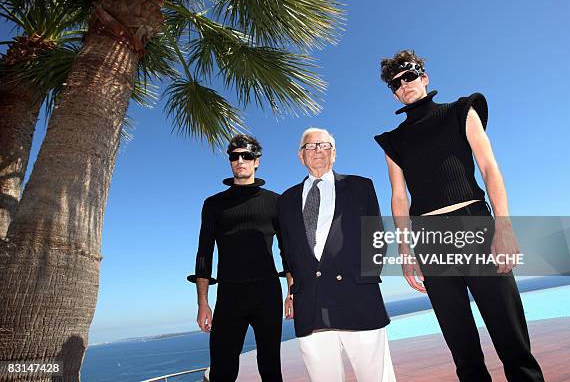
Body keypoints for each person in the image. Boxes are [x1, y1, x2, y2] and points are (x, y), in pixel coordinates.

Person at [374, 50, 545, 382]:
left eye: (409, 76)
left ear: (423, 77)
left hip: (475, 226)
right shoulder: (392, 141)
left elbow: (489, 168)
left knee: (511, 339)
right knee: (462, 348)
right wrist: (406, 251)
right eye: (396, 84)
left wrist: (503, 225)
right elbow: (398, 198)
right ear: (393, 92)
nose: (404, 85)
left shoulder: (461, 111)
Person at [278, 127, 396, 382]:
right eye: (311, 146)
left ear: (334, 153)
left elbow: (376, 237)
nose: (318, 151)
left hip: (359, 298)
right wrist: (292, 290)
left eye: (324, 146)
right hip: (311, 305)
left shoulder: (360, 186)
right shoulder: (285, 201)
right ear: (301, 156)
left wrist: (363, 278)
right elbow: (287, 251)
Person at [187, 134, 289, 382]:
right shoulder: (213, 204)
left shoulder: (275, 202)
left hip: (267, 293)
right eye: (235, 156)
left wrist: (292, 291)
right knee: (222, 370)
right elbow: (204, 253)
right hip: (229, 295)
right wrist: (203, 302)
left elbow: (287, 250)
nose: (240, 160)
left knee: (270, 368)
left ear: (257, 161)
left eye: (247, 155)